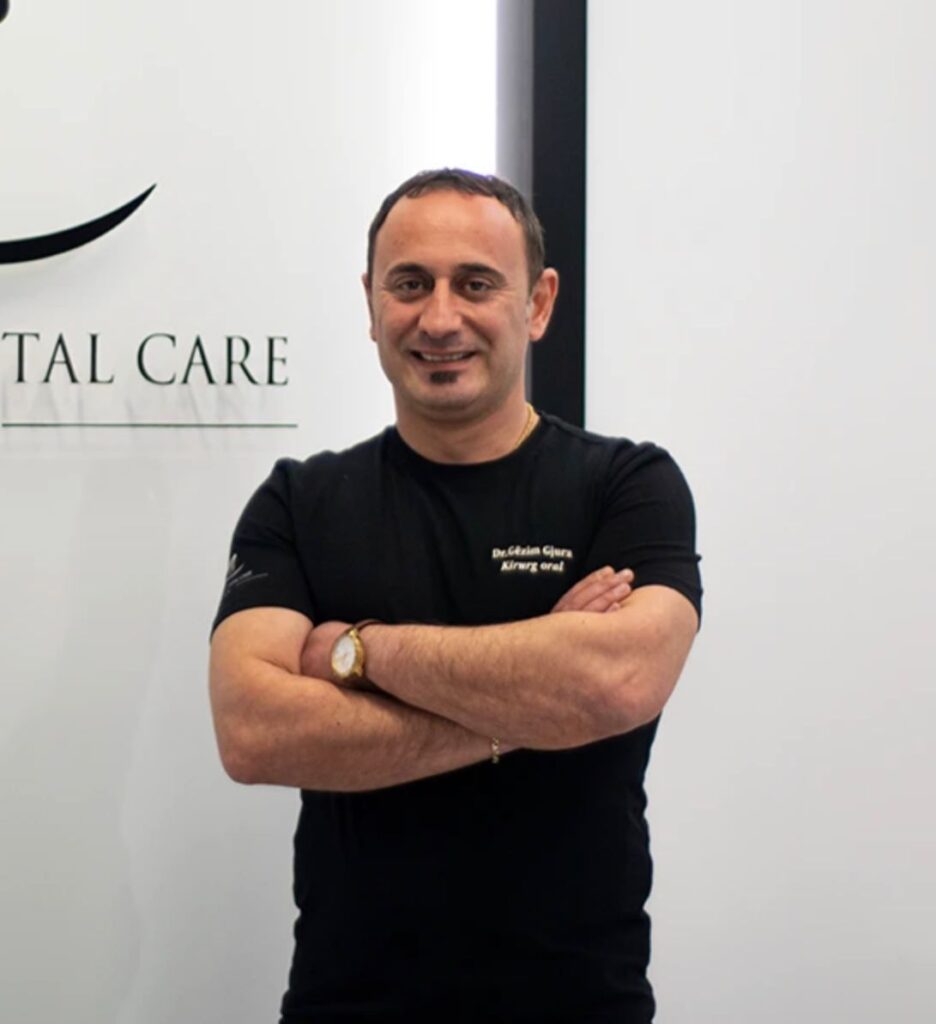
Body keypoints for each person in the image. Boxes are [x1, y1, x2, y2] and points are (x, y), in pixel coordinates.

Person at [209, 168, 702, 1023]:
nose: (440, 318)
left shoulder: (627, 486)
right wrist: (536, 700)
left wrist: (358, 652)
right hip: (349, 1006)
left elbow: (614, 683)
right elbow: (253, 732)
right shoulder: (299, 502)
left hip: (577, 1005)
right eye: (410, 284)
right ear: (371, 305)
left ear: (538, 304)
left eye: (476, 284)